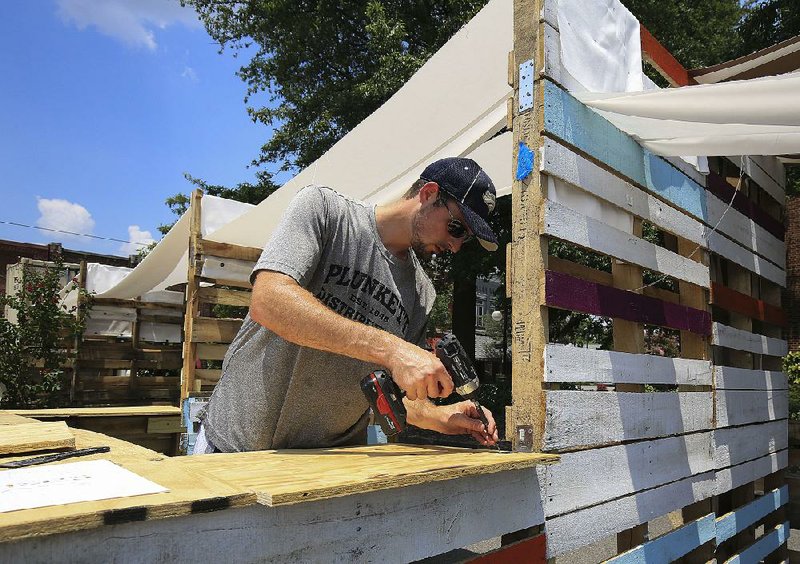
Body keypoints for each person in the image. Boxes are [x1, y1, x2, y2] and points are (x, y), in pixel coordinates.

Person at [194, 157, 500, 454]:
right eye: (456, 228)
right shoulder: (326, 212)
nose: (456, 246)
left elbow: (396, 397)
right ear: (429, 193)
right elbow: (268, 300)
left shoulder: (422, 293)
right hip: (234, 448)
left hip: (328, 465)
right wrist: (392, 349)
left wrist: (442, 417)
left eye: (466, 239)